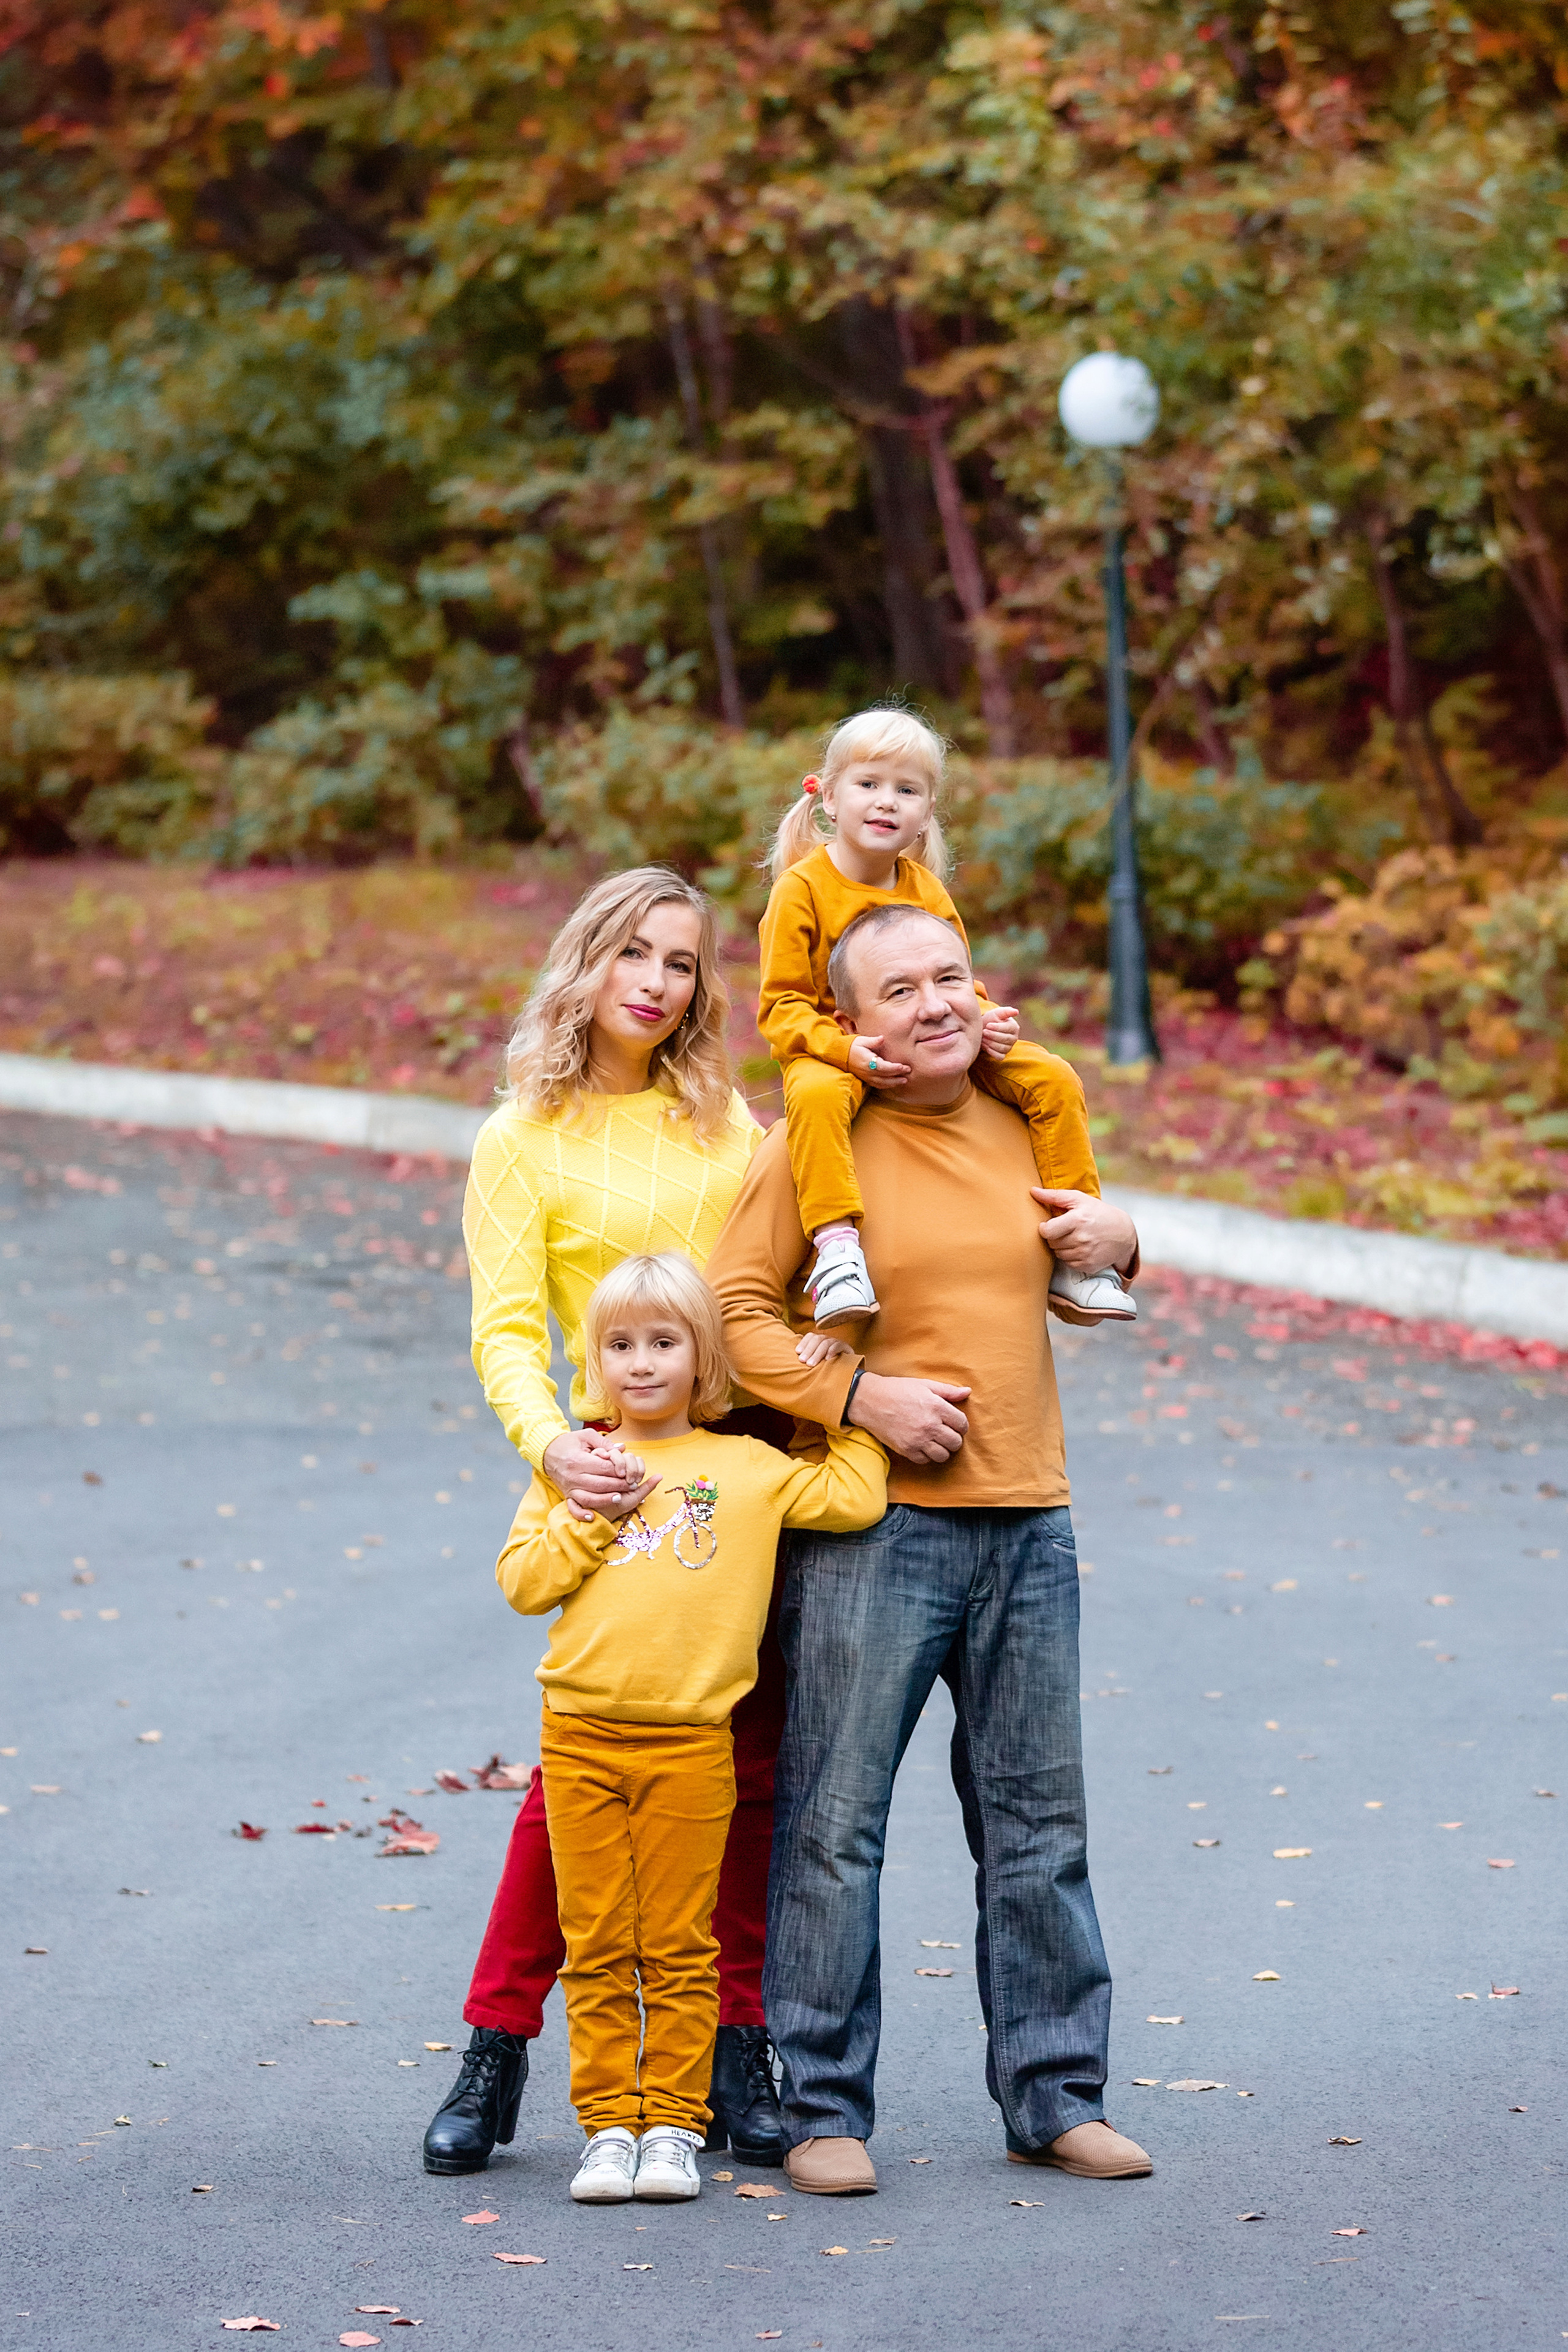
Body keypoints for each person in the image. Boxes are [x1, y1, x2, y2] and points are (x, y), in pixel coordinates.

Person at [705, 900, 1153, 2196]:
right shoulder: (817, 1136)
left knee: (1036, 1825)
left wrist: (1125, 1241)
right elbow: (736, 1314)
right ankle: (825, 2109)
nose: (936, 1003)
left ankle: (1056, 2095)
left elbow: (1086, 1261)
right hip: (872, 1532)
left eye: (950, 976)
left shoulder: (1026, 1115)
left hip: (1030, 1520)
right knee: (834, 1826)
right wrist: (858, 1399)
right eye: (898, 990)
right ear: (851, 1024)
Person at [424, 867, 821, 2177]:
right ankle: (496, 2043)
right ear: (586, 961)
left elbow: (781, 1281)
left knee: (740, 1775)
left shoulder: (724, 1123)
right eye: (634, 955)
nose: (658, 983)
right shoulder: (520, 1138)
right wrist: (558, 1451)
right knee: (575, 1786)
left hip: (745, 1466)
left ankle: (731, 2045)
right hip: (608, 1471)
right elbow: (502, 1333)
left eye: (683, 962)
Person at [494, 1253, 886, 2204]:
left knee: (676, 1942)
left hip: (691, 1744)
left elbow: (857, 1492)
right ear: (595, 1360)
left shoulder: (748, 1469)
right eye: (619, 1345)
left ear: (703, 1358)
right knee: (594, 1941)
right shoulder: (579, 1462)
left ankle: (671, 2123)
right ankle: (605, 2129)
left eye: (663, 1343)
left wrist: (836, 1390)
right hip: (581, 1736)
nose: (640, 1363)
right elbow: (522, 1584)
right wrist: (592, 1513)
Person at [758, 704, 1134, 1329]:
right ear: (828, 796)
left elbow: (957, 978)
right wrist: (845, 1051)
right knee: (817, 1097)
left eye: (907, 790)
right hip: (840, 1048)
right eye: (869, 784)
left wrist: (986, 1017)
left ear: (926, 812)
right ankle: (837, 1252)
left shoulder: (925, 889)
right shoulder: (802, 889)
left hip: (930, 1039)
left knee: (1051, 1077)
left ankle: (1077, 1246)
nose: (887, 803)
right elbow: (781, 1007)